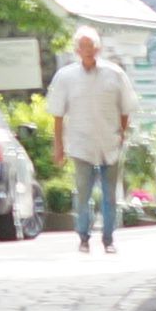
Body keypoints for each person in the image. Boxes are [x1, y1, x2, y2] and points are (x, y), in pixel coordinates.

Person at [43, 28, 136, 248]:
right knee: (83, 193)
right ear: (76, 50)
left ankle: (108, 238)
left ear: (99, 48)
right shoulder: (66, 77)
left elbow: (126, 108)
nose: (88, 51)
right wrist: (59, 145)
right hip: (80, 142)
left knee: (109, 195)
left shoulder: (115, 74)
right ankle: (83, 236)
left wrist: (121, 134)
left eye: (91, 46)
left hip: (109, 141)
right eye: (83, 47)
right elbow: (57, 114)